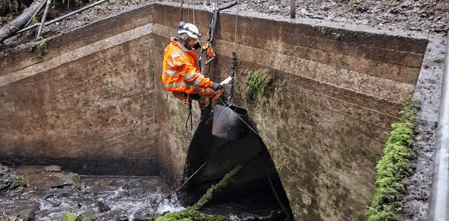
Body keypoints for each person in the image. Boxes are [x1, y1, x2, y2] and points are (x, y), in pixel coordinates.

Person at [161, 21, 223, 114]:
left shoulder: (174, 46)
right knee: (208, 92)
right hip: (179, 86)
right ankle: (206, 113)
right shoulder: (180, 57)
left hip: (178, 80)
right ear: (189, 40)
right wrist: (211, 84)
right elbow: (192, 77)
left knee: (205, 92)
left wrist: (192, 47)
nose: (196, 42)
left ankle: (206, 111)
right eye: (194, 40)